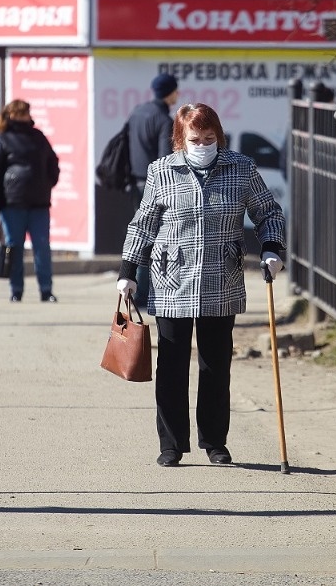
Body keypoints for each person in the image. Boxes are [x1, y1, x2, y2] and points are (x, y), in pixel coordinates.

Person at [116, 103, 286, 468]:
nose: (203, 145)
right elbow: (142, 225)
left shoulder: (240, 168)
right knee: (172, 365)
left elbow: (268, 212)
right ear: (180, 139)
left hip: (220, 279)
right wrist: (128, 271)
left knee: (215, 365)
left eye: (210, 138)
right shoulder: (161, 171)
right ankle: (172, 443)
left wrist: (272, 248)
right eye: (195, 139)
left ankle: (215, 442)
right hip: (171, 279)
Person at [0, 99, 61, 303]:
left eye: (27, 112)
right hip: (11, 204)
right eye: (21, 112)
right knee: (14, 248)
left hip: (39, 203)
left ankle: (46, 289)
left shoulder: (38, 137)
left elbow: (53, 162)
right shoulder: (0, 140)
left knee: (42, 247)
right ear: (12, 115)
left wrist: (48, 182)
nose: (26, 116)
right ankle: (16, 290)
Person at [126, 72, 180, 307]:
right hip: (154, 187)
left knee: (140, 235)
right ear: (170, 92)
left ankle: (137, 289)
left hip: (135, 182)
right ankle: (144, 293)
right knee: (155, 240)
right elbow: (164, 162)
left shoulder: (137, 112)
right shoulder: (163, 119)